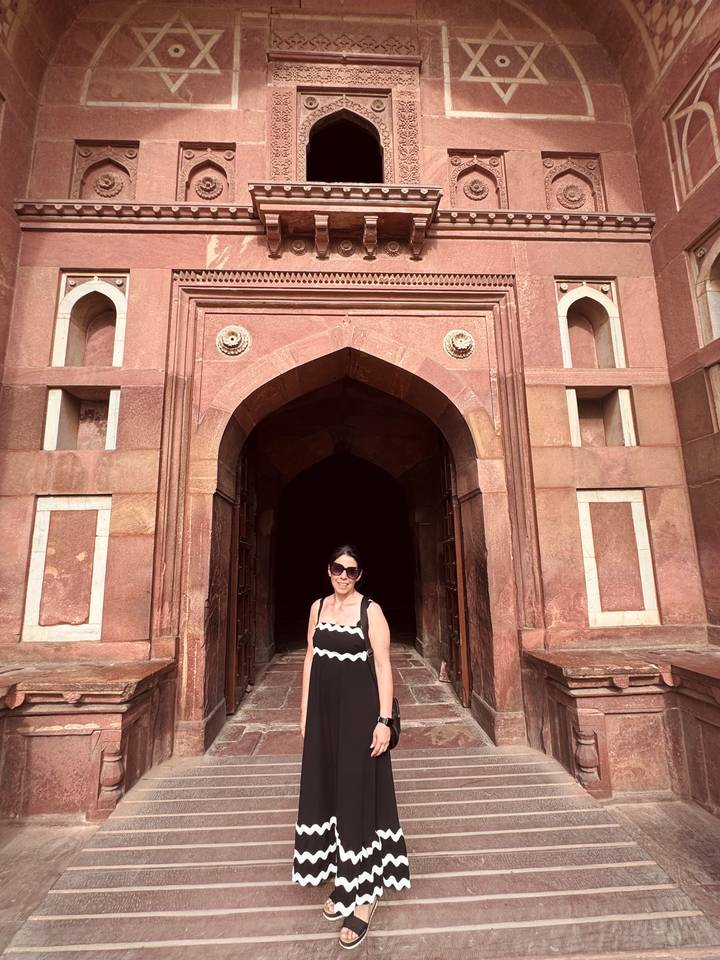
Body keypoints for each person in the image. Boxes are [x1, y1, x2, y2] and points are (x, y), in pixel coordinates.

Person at [291, 544, 411, 949]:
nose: (343, 576)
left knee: (357, 796)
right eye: (337, 568)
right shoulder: (318, 607)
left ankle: (365, 896)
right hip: (325, 718)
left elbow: (383, 665)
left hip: (360, 719)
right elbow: (310, 657)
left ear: (360, 575)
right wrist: (305, 711)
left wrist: (384, 721)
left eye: (352, 571)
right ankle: (346, 880)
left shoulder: (370, 611)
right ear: (328, 570)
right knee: (331, 793)